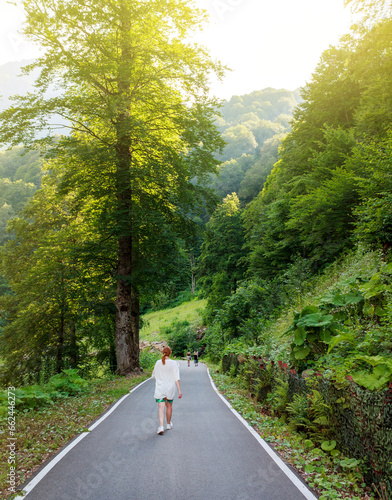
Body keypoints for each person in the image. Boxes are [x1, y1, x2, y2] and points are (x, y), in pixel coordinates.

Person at [152, 346, 182, 435]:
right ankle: (168, 424)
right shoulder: (173, 363)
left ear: (163, 352)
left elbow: (154, 375)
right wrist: (179, 390)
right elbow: (177, 378)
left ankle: (161, 426)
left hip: (160, 388)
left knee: (161, 407)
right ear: (170, 353)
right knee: (169, 406)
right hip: (170, 388)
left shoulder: (158, 363)